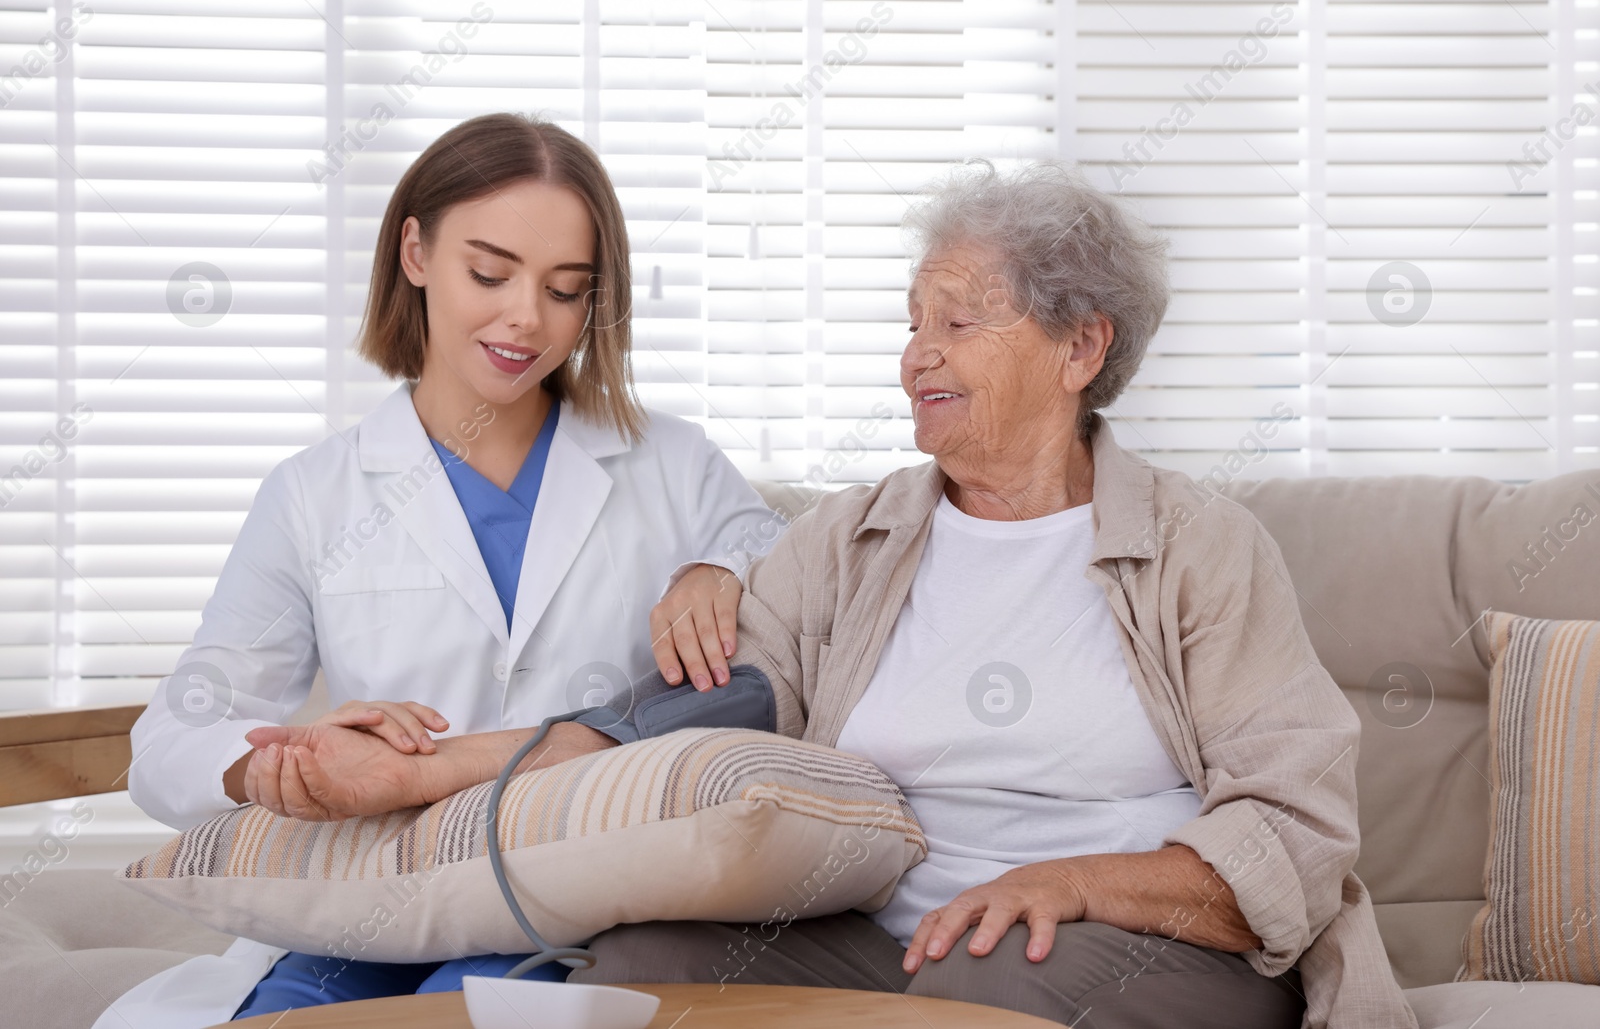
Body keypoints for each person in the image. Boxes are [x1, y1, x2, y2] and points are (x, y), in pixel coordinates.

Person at [235, 161, 1417, 1028]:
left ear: (1079, 348)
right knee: (641, 960)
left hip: (1116, 936)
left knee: (983, 985)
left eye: (958, 322)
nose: (915, 355)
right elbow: (666, 724)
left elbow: (1292, 825)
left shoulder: (1200, 548)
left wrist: (1072, 880)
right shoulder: (854, 537)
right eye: (911, 323)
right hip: (871, 937)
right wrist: (419, 772)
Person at [122, 112, 783, 1022]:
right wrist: (269, 767)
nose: (527, 318)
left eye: (565, 289)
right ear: (416, 251)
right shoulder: (315, 494)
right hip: (374, 897)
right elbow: (172, 734)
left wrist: (722, 566)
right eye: (490, 272)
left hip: (569, 895)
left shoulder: (673, 464)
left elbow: (805, 614)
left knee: (461, 1012)